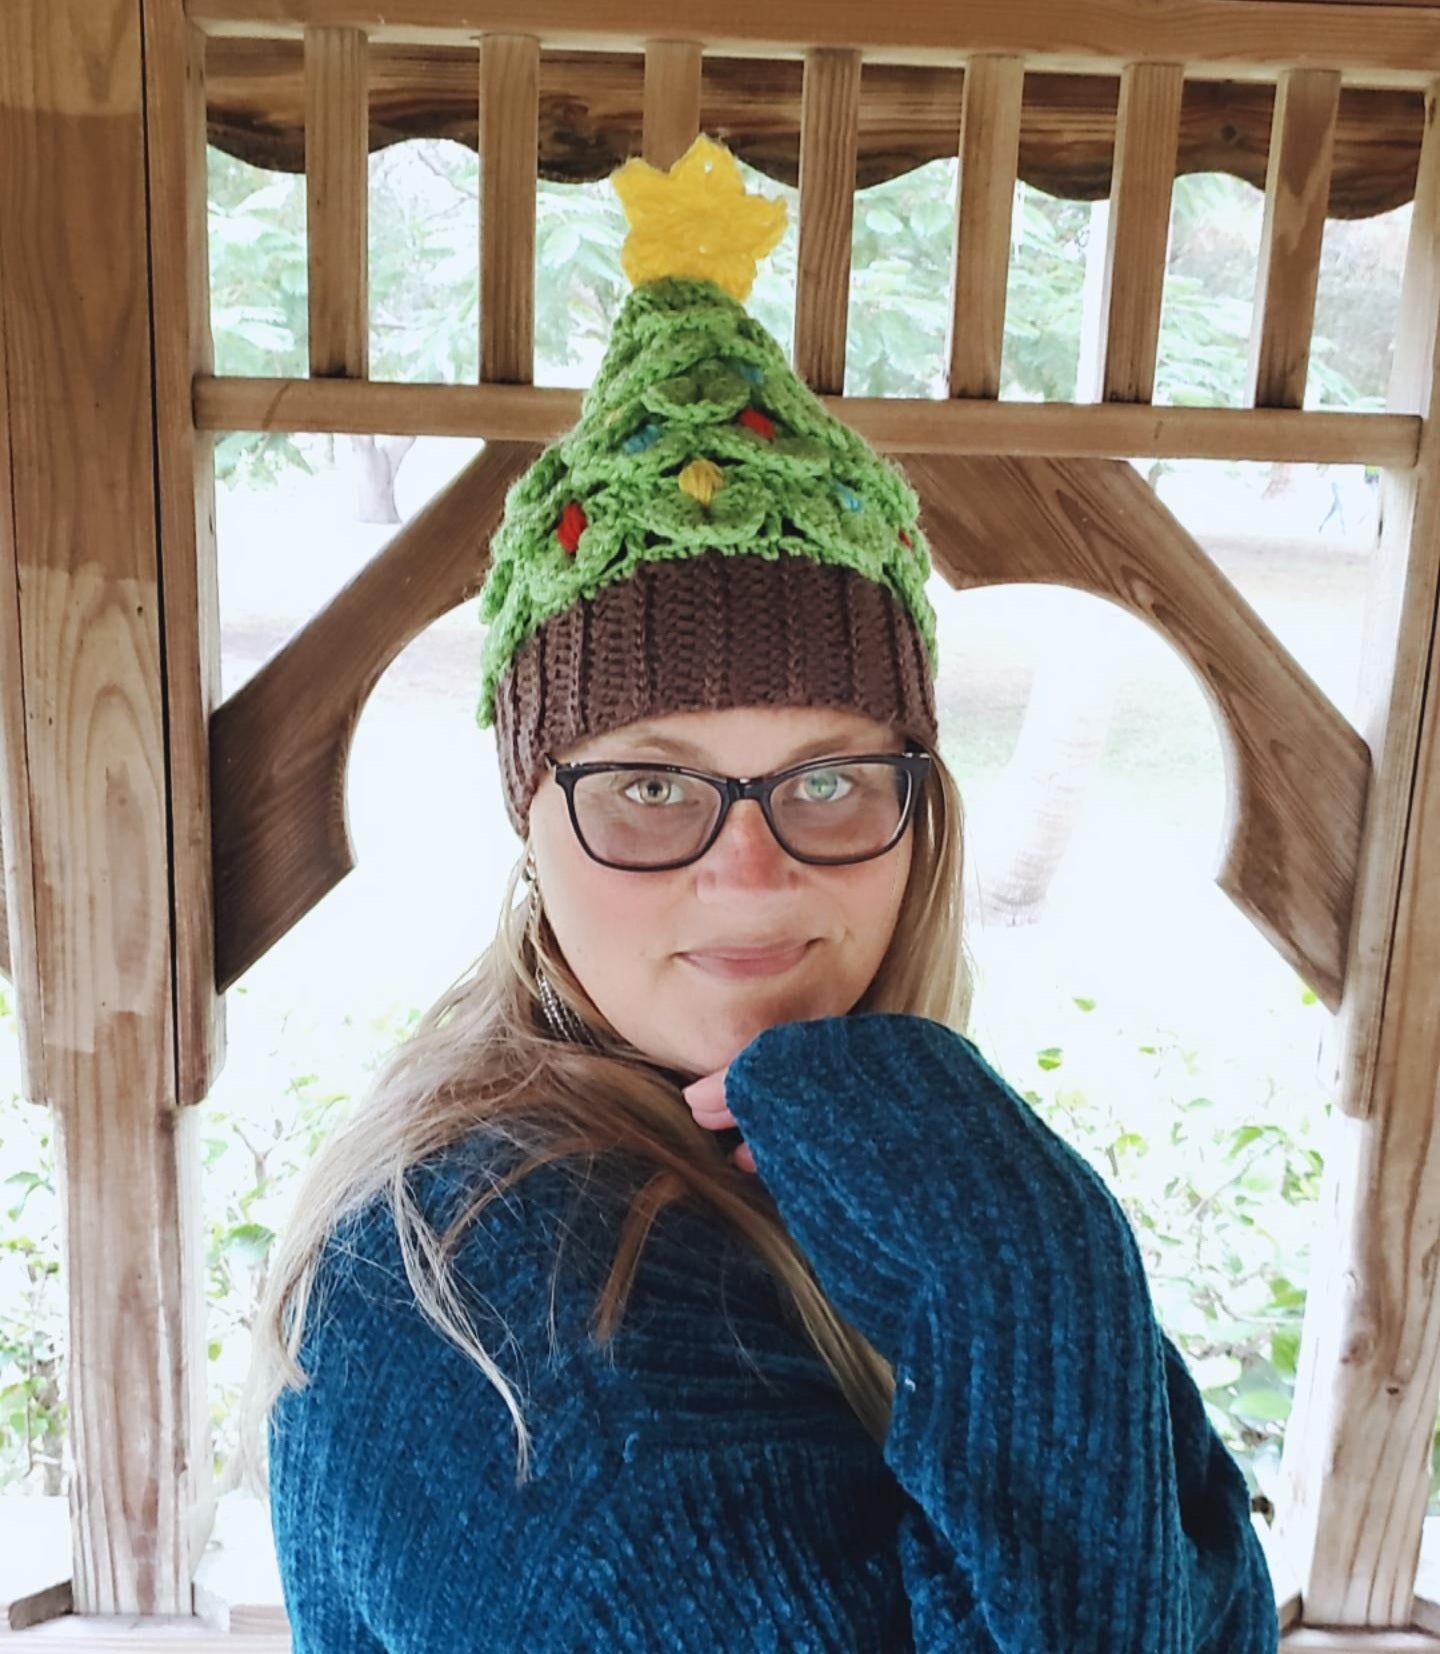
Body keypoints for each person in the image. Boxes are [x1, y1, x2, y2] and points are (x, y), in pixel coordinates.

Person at [240, 135, 1280, 1651]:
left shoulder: (824, 1153)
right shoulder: (515, 1324)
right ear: (531, 819)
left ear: (924, 806)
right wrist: (1033, 1280)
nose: (754, 865)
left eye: (830, 777)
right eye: (652, 784)